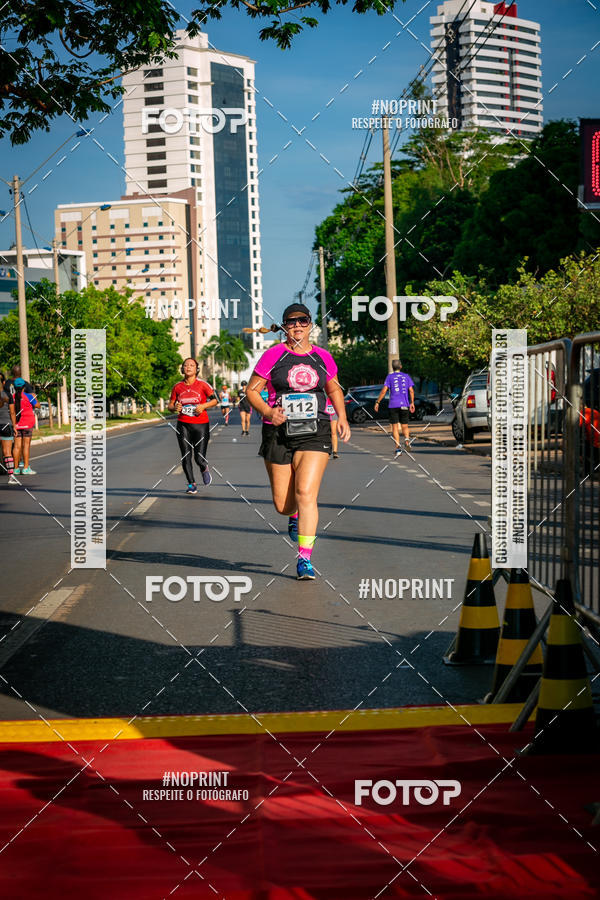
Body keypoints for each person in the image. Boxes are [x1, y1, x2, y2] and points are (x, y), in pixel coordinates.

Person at [246, 303, 350, 580]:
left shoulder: (323, 357)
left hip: (315, 430)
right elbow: (252, 391)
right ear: (284, 326)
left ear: (310, 324)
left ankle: (305, 559)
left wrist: (342, 417)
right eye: (291, 322)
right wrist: (268, 411)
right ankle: (293, 517)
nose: (297, 326)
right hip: (277, 432)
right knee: (284, 505)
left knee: (306, 493)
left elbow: (334, 389)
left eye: (302, 320)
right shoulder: (273, 356)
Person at [168, 358, 218, 494]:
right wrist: (175, 407)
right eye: (186, 365)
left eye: (192, 365)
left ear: (196, 369)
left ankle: (203, 467)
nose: (188, 367)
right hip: (183, 425)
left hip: (201, 425)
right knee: (185, 455)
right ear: (182, 369)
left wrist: (203, 406)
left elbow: (215, 400)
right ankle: (191, 484)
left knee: (199, 458)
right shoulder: (177, 387)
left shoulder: (203, 385)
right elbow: (170, 405)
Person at [374, 359, 415, 456]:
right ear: (401, 367)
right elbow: (411, 390)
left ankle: (398, 448)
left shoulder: (389, 377)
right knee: (405, 425)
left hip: (393, 405)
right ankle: (407, 440)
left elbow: (384, 390)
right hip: (404, 404)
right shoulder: (406, 376)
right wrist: (412, 402)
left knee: (395, 427)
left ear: (392, 367)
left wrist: (377, 401)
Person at [5, 366, 38, 475]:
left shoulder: (12, 397)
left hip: (17, 424)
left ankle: (15, 468)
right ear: (24, 387)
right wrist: (34, 397)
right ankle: (26, 467)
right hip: (27, 423)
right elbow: (37, 405)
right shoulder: (29, 396)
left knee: (17, 446)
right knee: (26, 445)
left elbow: (12, 411)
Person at [0, 373, 17, 483]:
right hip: (6, 425)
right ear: (4, 382)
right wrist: (14, 427)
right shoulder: (7, 395)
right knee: (7, 452)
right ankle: (11, 476)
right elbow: (12, 412)